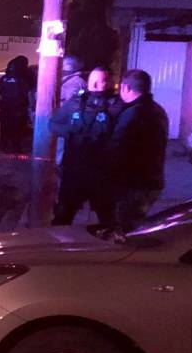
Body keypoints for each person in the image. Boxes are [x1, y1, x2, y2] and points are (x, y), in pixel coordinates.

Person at [51, 67, 123, 225]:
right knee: (63, 215)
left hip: (101, 172)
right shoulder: (76, 102)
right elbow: (54, 123)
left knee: (107, 217)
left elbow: (123, 134)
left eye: (101, 81)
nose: (96, 85)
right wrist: (71, 133)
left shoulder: (115, 105)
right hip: (74, 170)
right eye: (93, 81)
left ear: (109, 82)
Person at [107, 69, 169, 231]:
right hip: (152, 179)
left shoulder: (133, 114)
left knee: (126, 227)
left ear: (126, 88)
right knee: (135, 222)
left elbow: (117, 147)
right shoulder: (157, 110)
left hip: (135, 183)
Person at [0, 55, 31, 153]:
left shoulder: (19, 78)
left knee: (13, 127)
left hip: (14, 107)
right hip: (11, 107)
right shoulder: (9, 78)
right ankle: (8, 145)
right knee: (11, 127)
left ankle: (10, 145)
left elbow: (27, 92)